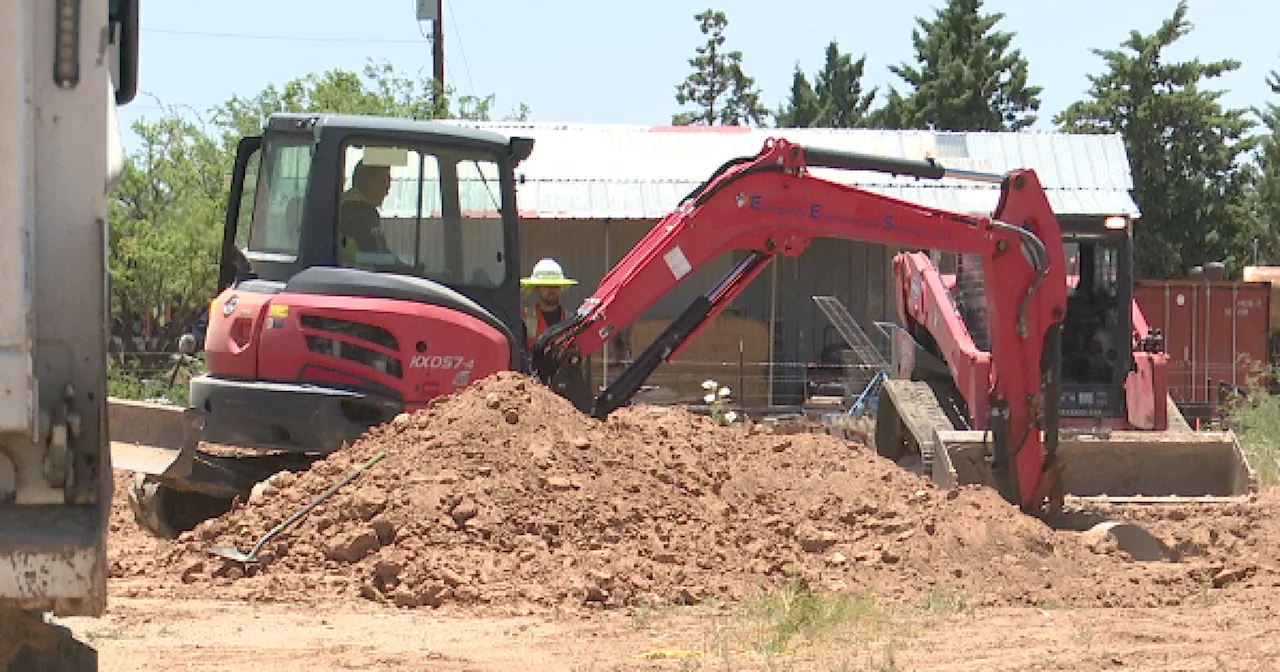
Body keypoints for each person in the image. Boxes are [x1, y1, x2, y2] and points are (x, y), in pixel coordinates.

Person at [338, 160, 393, 264]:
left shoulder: (343, 202)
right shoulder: (361, 209)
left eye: (389, 182)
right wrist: (406, 266)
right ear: (364, 181)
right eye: (381, 181)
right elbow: (377, 257)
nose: (387, 190)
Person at [521, 258, 578, 353]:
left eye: (556, 286)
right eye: (547, 286)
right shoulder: (524, 318)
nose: (552, 290)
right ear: (537, 288)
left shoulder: (571, 320)